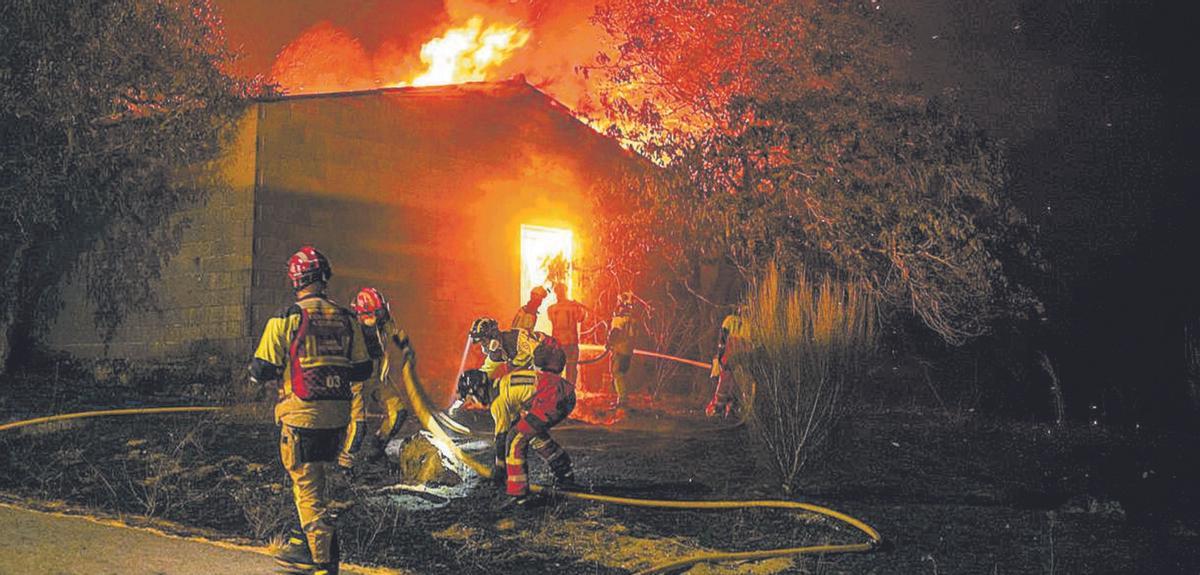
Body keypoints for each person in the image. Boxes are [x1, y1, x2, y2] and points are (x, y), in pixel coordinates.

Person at [249, 246, 372, 575]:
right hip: (338, 418)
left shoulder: (287, 316)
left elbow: (261, 368)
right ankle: (303, 544)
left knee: (307, 488)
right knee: (314, 484)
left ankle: (320, 562)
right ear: (325, 276)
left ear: (295, 279)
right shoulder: (346, 317)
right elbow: (361, 370)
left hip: (302, 414)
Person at [456, 339, 576, 507]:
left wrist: (499, 468)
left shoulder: (498, 401)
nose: (472, 403)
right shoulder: (504, 384)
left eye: (471, 398)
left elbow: (502, 438)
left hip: (552, 396)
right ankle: (564, 473)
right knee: (531, 434)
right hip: (563, 394)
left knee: (515, 439)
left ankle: (519, 495)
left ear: (479, 391)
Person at [338, 287, 413, 469]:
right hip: (357, 381)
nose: (379, 317)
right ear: (361, 314)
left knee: (398, 413)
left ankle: (376, 450)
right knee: (358, 427)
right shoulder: (349, 329)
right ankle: (345, 466)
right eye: (375, 314)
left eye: (380, 313)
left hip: (379, 377)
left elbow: (395, 332)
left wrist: (406, 348)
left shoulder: (381, 321)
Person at [468, 316, 545, 382]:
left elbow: (539, 352)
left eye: (484, 341)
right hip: (531, 363)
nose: (483, 345)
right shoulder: (497, 352)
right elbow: (486, 370)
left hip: (546, 350)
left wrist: (539, 374)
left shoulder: (515, 338)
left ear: (493, 335)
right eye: (480, 342)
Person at [707, 305, 748, 418]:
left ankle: (717, 409)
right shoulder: (751, 325)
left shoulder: (729, 320)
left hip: (729, 359)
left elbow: (722, 340)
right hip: (743, 360)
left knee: (724, 385)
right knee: (735, 385)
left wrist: (719, 357)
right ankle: (732, 409)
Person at [546, 282, 589, 384]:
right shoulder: (573, 307)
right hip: (571, 343)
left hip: (558, 344)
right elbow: (581, 318)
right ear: (566, 291)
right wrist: (580, 307)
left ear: (556, 293)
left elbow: (551, 319)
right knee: (571, 370)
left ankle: (556, 392)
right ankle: (569, 392)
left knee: (556, 369)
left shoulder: (551, 309)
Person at [606, 291, 639, 407]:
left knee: (617, 373)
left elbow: (615, 332)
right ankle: (623, 398)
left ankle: (623, 400)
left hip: (619, 350)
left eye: (619, 302)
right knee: (623, 374)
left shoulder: (619, 319)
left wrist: (609, 343)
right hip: (629, 350)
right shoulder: (633, 319)